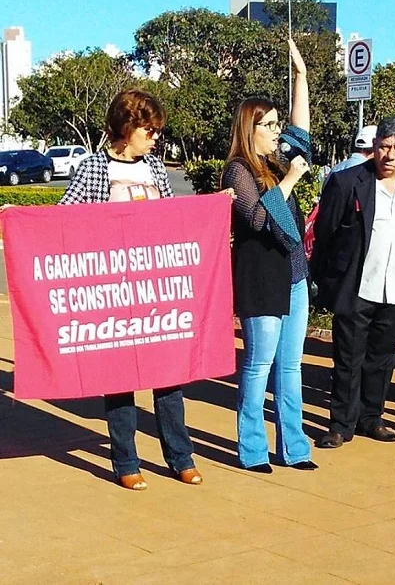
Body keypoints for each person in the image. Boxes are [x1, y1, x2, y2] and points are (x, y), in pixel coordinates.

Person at [59, 88, 205, 490]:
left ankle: (181, 458)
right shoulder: (93, 169)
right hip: (114, 293)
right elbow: (63, 221)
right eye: (149, 129)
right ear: (126, 127)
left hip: (155, 293)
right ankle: (126, 462)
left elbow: (174, 218)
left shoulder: (156, 169)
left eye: (156, 131)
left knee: (168, 379)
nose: (155, 137)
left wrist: (211, 209)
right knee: (120, 382)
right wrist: (19, 219)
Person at [220, 39, 317, 473]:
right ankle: (254, 450)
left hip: (294, 276)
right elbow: (258, 219)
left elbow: (304, 130)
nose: (278, 131)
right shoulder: (238, 169)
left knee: (291, 366)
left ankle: (295, 448)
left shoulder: (281, 159)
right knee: (260, 365)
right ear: (251, 127)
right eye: (270, 125)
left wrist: (301, 76)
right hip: (261, 279)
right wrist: (291, 181)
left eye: (278, 124)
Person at [311, 116, 395, 448]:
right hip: (356, 285)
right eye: (384, 146)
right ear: (374, 147)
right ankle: (340, 424)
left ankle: (371, 418)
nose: (389, 155)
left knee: (382, 358)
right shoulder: (347, 182)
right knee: (348, 358)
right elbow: (325, 232)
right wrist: (326, 280)